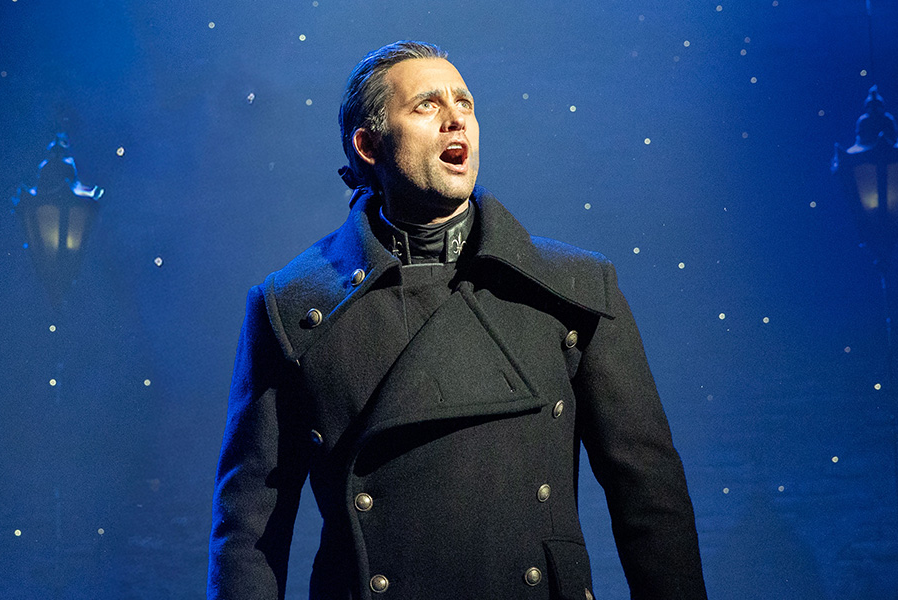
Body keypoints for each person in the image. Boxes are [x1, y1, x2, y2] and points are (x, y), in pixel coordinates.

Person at [207, 40, 707, 600]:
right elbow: (249, 532)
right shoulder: (292, 308)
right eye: (426, 105)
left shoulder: (575, 291)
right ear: (367, 145)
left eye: (464, 103)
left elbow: (650, 497)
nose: (455, 120)